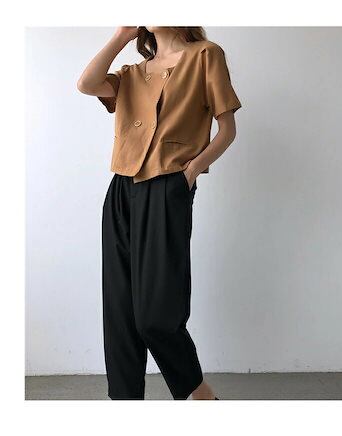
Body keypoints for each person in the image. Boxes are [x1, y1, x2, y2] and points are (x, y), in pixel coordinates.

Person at [77, 26, 241, 400]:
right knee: (120, 310)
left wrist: (190, 173)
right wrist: (121, 36)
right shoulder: (133, 73)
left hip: (168, 186)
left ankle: (199, 394)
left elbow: (227, 130)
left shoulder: (205, 55)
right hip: (121, 189)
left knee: (156, 315)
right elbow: (86, 84)